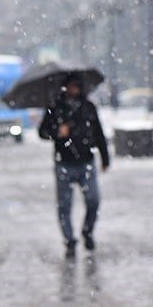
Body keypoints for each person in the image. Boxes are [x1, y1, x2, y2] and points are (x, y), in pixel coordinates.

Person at [39, 74, 110, 258]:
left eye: (76, 86)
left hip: (86, 160)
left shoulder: (88, 107)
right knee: (64, 205)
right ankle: (69, 240)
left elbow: (99, 132)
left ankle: (87, 231)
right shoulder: (55, 108)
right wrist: (57, 132)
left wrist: (105, 157)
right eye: (70, 87)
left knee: (93, 200)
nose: (73, 90)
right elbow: (43, 132)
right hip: (64, 162)